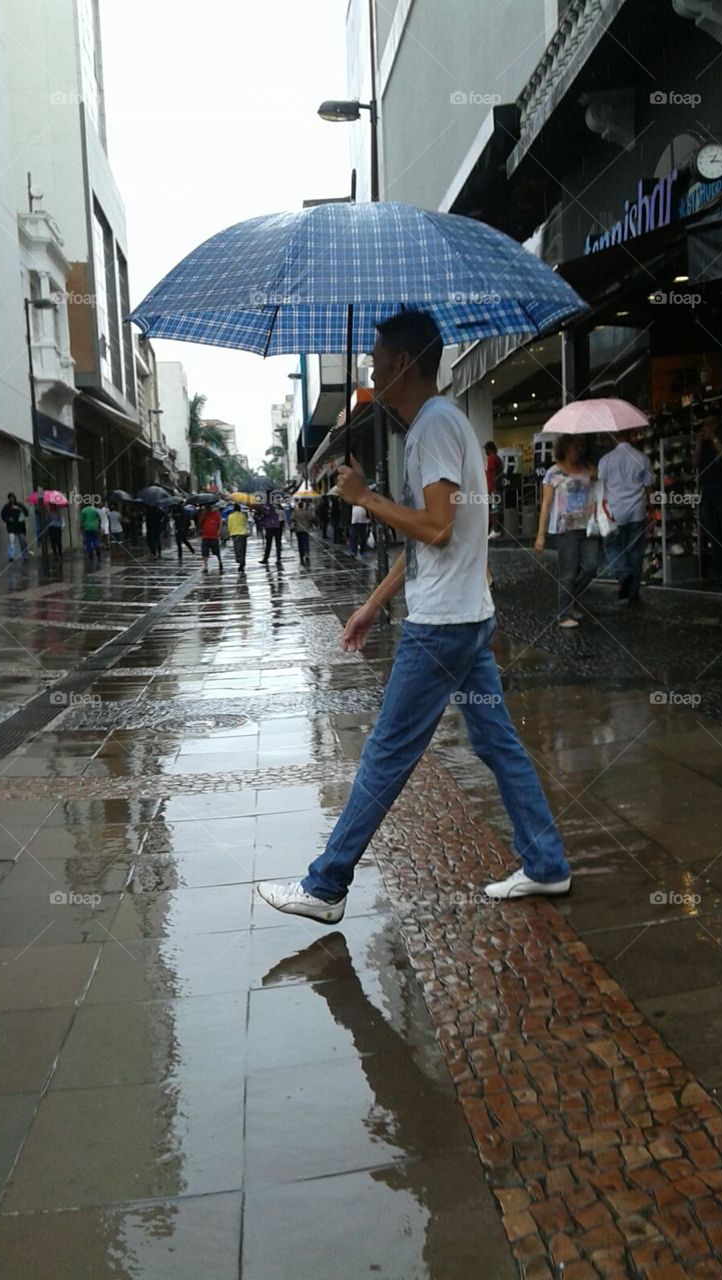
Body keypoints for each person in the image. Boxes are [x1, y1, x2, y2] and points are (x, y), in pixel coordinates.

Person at [257, 310, 571, 923]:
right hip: (468, 617)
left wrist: (364, 497)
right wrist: (373, 604)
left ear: (403, 363)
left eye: (376, 356)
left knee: (386, 752)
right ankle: (547, 864)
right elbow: (435, 542)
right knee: (498, 742)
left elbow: (436, 525)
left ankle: (325, 886)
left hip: (443, 628)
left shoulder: (431, 429)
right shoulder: (442, 423)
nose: (370, 366)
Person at [535, 434, 599, 628]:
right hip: (566, 529)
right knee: (568, 573)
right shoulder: (553, 473)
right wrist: (541, 535)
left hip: (589, 527)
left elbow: (597, 491)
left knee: (591, 566)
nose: (578, 450)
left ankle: (572, 601)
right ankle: (563, 614)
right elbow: (545, 505)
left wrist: (594, 475)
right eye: (574, 446)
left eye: (580, 446)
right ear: (564, 448)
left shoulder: (588, 468)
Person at [598, 428, 653, 604]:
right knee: (635, 552)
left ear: (614, 438)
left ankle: (623, 574)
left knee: (612, 547)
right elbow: (649, 487)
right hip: (637, 511)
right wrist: (651, 509)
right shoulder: (642, 457)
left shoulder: (605, 460)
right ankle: (634, 593)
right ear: (631, 436)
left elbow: (601, 488)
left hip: (615, 513)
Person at [692, 412, 722, 582]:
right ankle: (719, 572)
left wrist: (713, 437)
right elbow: (694, 463)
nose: (706, 428)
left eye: (710, 424)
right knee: (712, 533)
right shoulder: (703, 444)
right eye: (704, 425)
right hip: (707, 491)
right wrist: (698, 445)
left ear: (717, 424)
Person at [1, 493, 30, 562]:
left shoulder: (19, 505)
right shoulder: (6, 507)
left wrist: (19, 508)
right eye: (10, 498)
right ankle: (12, 556)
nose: (11, 499)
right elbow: (3, 515)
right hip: (11, 527)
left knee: (23, 542)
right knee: (12, 541)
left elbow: (26, 513)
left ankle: (25, 555)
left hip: (20, 527)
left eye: (12, 497)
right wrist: (8, 519)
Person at [484, 442, 504, 540]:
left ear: (489, 449)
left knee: (494, 509)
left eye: (486, 450)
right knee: (494, 508)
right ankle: (494, 530)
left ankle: (496, 530)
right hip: (495, 487)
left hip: (492, 488)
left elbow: (494, 473)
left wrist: (494, 489)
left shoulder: (492, 458)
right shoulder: (498, 458)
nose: (485, 452)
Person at [200, 504, 224, 574]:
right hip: (205, 536)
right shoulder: (204, 514)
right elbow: (200, 522)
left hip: (214, 536)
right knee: (204, 553)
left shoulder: (216, 513)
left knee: (217, 552)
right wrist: (202, 514)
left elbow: (220, 522)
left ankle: (220, 562)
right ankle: (205, 567)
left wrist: (219, 530)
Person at [292, 500, 316, 568]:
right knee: (306, 541)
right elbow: (311, 518)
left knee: (300, 543)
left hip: (298, 530)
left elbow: (292, 518)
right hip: (305, 529)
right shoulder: (306, 511)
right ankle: (307, 553)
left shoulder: (295, 512)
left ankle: (301, 554)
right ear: (303, 505)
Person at [227, 503, 248, 573]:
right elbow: (245, 523)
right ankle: (243, 562)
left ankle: (240, 561)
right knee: (243, 549)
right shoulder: (243, 515)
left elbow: (229, 526)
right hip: (243, 534)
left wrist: (229, 533)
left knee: (237, 549)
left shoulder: (230, 516)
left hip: (235, 534)